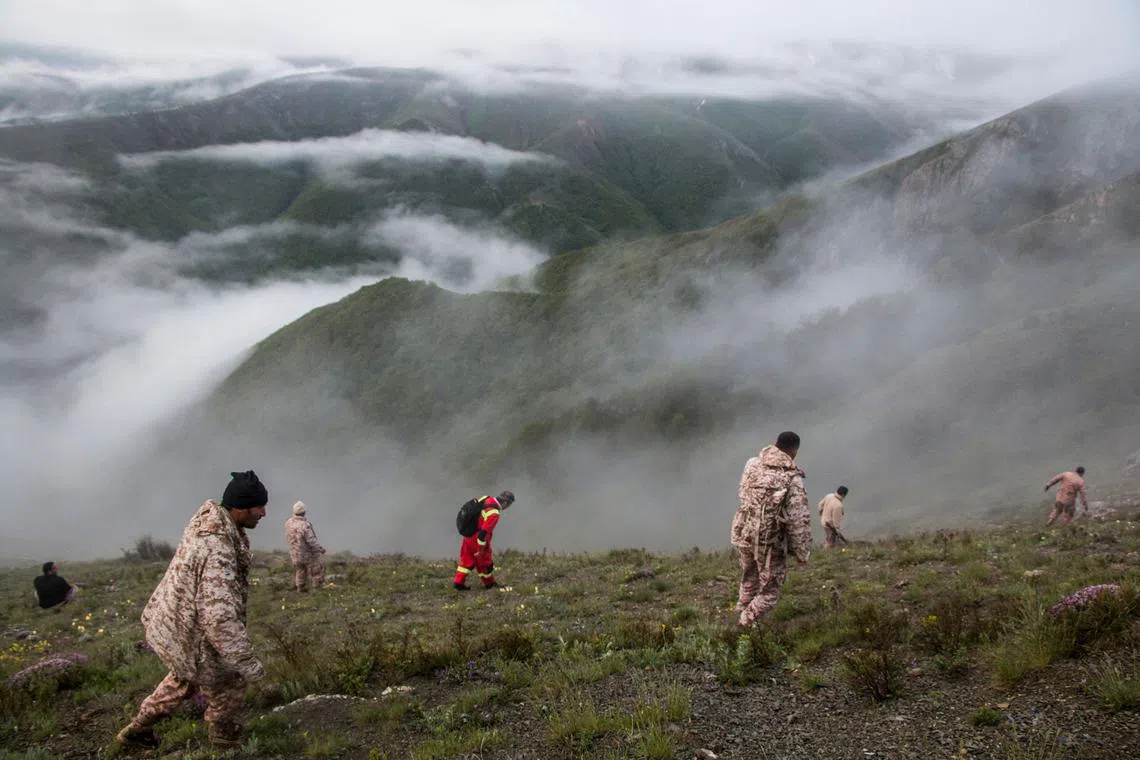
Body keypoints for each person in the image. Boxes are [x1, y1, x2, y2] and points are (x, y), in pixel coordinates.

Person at [117, 471, 269, 750]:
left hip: (175, 625)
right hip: (193, 633)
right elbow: (219, 617)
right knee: (229, 680)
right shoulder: (218, 548)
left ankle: (138, 729)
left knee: (182, 679)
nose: (263, 513)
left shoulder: (209, 522)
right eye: (258, 506)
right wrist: (248, 664)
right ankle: (223, 736)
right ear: (240, 507)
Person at [731, 432, 811, 627]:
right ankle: (744, 624)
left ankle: (741, 610)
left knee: (749, 577)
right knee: (770, 590)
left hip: (745, 533)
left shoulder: (752, 464)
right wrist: (802, 552)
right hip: (769, 541)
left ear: (775, 444)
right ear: (794, 451)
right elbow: (798, 519)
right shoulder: (792, 477)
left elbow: (743, 493)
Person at [454, 491, 515, 591]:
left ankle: (458, 583)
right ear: (505, 503)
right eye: (509, 505)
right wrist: (481, 548)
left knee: (467, 559)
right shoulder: (494, 513)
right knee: (485, 562)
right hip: (477, 538)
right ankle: (489, 584)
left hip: (469, 534)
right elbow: (484, 532)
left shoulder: (486, 498)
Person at [285, 501, 325, 592]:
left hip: (294, 553)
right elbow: (311, 540)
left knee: (300, 569)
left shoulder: (288, 523)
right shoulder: (305, 525)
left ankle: (300, 587)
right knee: (316, 569)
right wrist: (319, 549)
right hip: (306, 553)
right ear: (304, 512)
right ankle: (317, 588)